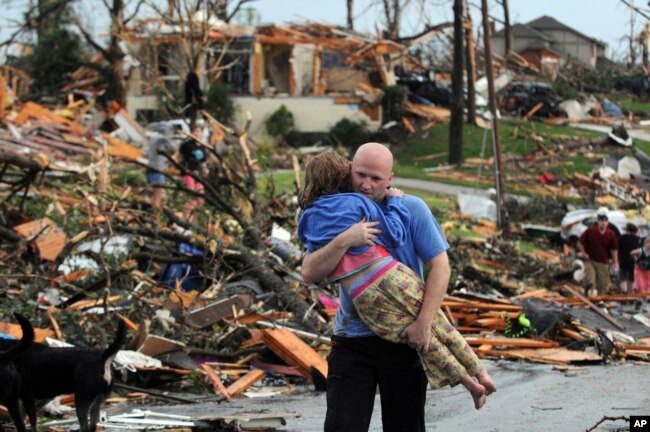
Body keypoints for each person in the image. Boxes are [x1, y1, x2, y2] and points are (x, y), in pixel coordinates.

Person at [298, 151, 495, 411]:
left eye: (375, 178)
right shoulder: (359, 205)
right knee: (442, 331)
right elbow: (309, 271)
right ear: (348, 171)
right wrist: (346, 238)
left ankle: (474, 382)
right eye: (360, 175)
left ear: (389, 178)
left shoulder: (312, 215)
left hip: (383, 313)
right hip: (353, 336)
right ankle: (477, 377)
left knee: (405, 422)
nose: (366, 184)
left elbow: (441, 267)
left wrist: (422, 324)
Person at [577, 207, 619, 296]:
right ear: (598, 221)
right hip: (590, 260)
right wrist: (584, 253)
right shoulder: (590, 231)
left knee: (603, 284)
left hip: (603, 262)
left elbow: (614, 249)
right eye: (601, 220)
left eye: (605, 221)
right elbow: (580, 242)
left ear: (607, 222)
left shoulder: (611, 234)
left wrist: (615, 263)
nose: (603, 223)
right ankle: (589, 296)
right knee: (590, 280)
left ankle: (600, 301)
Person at [179, 123, 207, 221]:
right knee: (191, 197)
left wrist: (205, 170)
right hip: (189, 173)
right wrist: (182, 174)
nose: (197, 133)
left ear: (202, 133)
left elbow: (203, 162)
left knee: (200, 200)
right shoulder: (187, 144)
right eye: (195, 131)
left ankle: (193, 220)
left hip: (198, 175)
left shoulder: (203, 147)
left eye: (199, 131)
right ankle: (184, 218)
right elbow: (180, 157)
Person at [146, 122, 176, 210]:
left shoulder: (153, 138)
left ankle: (153, 217)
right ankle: (155, 218)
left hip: (150, 169)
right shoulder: (163, 139)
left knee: (155, 194)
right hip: (157, 170)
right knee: (157, 195)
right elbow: (173, 149)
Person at [618, 223, 640, 293]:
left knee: (623, 279)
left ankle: (624, 296)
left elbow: (618, 248)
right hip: (633, 261)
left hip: (623, 260)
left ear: (627, 229)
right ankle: (631, 296)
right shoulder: (637, 239)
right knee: (632, 279)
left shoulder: (622, 237)